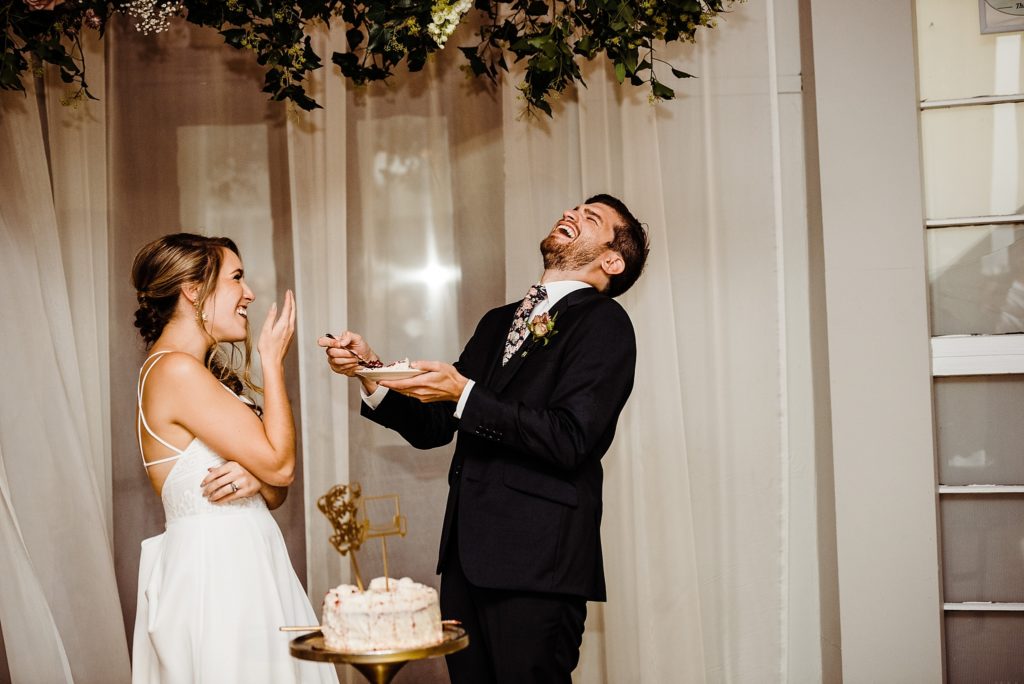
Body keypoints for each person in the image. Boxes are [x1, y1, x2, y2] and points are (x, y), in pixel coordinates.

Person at [319, 194, 649, 684]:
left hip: (538, 564)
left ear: (611, 260)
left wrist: (465, 393)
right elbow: (435, 427)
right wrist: (370, 371)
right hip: (466, 563)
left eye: (590, 218)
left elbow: (571, 438)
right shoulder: (499, 321)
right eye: (574, 207)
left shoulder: (604, 322)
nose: (570, 213)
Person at [130, 233, 337, 684]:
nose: (250, 293)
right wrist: (271, 361)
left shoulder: (190, 371)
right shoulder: (176, 370)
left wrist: (255, 477)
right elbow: (282, 465)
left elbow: (276, 488)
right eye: (237, 278)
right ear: (193, 289)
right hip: (218, 577)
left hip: (244, 564)